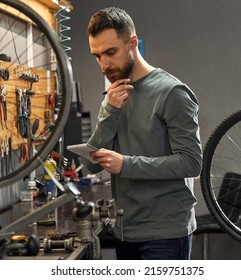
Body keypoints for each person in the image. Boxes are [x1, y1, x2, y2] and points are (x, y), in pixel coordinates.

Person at [84, 7, 202, 260]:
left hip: (165, 234)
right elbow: (89, 165)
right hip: (125, 231)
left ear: (132, 43)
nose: (103, 64)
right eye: (97, 56)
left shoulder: (172, 92)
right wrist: (110, 111)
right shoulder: (114, 95)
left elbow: (192, 162)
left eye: (110, 52)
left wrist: (126, 164)